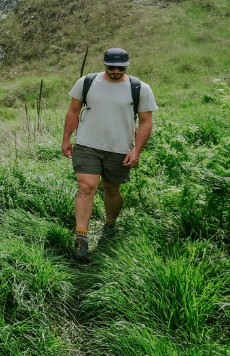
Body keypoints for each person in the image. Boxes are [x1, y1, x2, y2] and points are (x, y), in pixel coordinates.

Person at [61, 47, 158, 259]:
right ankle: (81, 237)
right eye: (111, 67)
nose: (115, 71)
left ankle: (110, 224)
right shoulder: (87, 82)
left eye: (120, 68)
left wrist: (137, 150)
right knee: (86, 187)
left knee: (111, 189)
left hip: (119, 148)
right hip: (87, 144)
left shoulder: (140, 88)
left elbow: (146, 122)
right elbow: (73, 111)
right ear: (103, 63)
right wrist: (66, 138)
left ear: (127, 65)